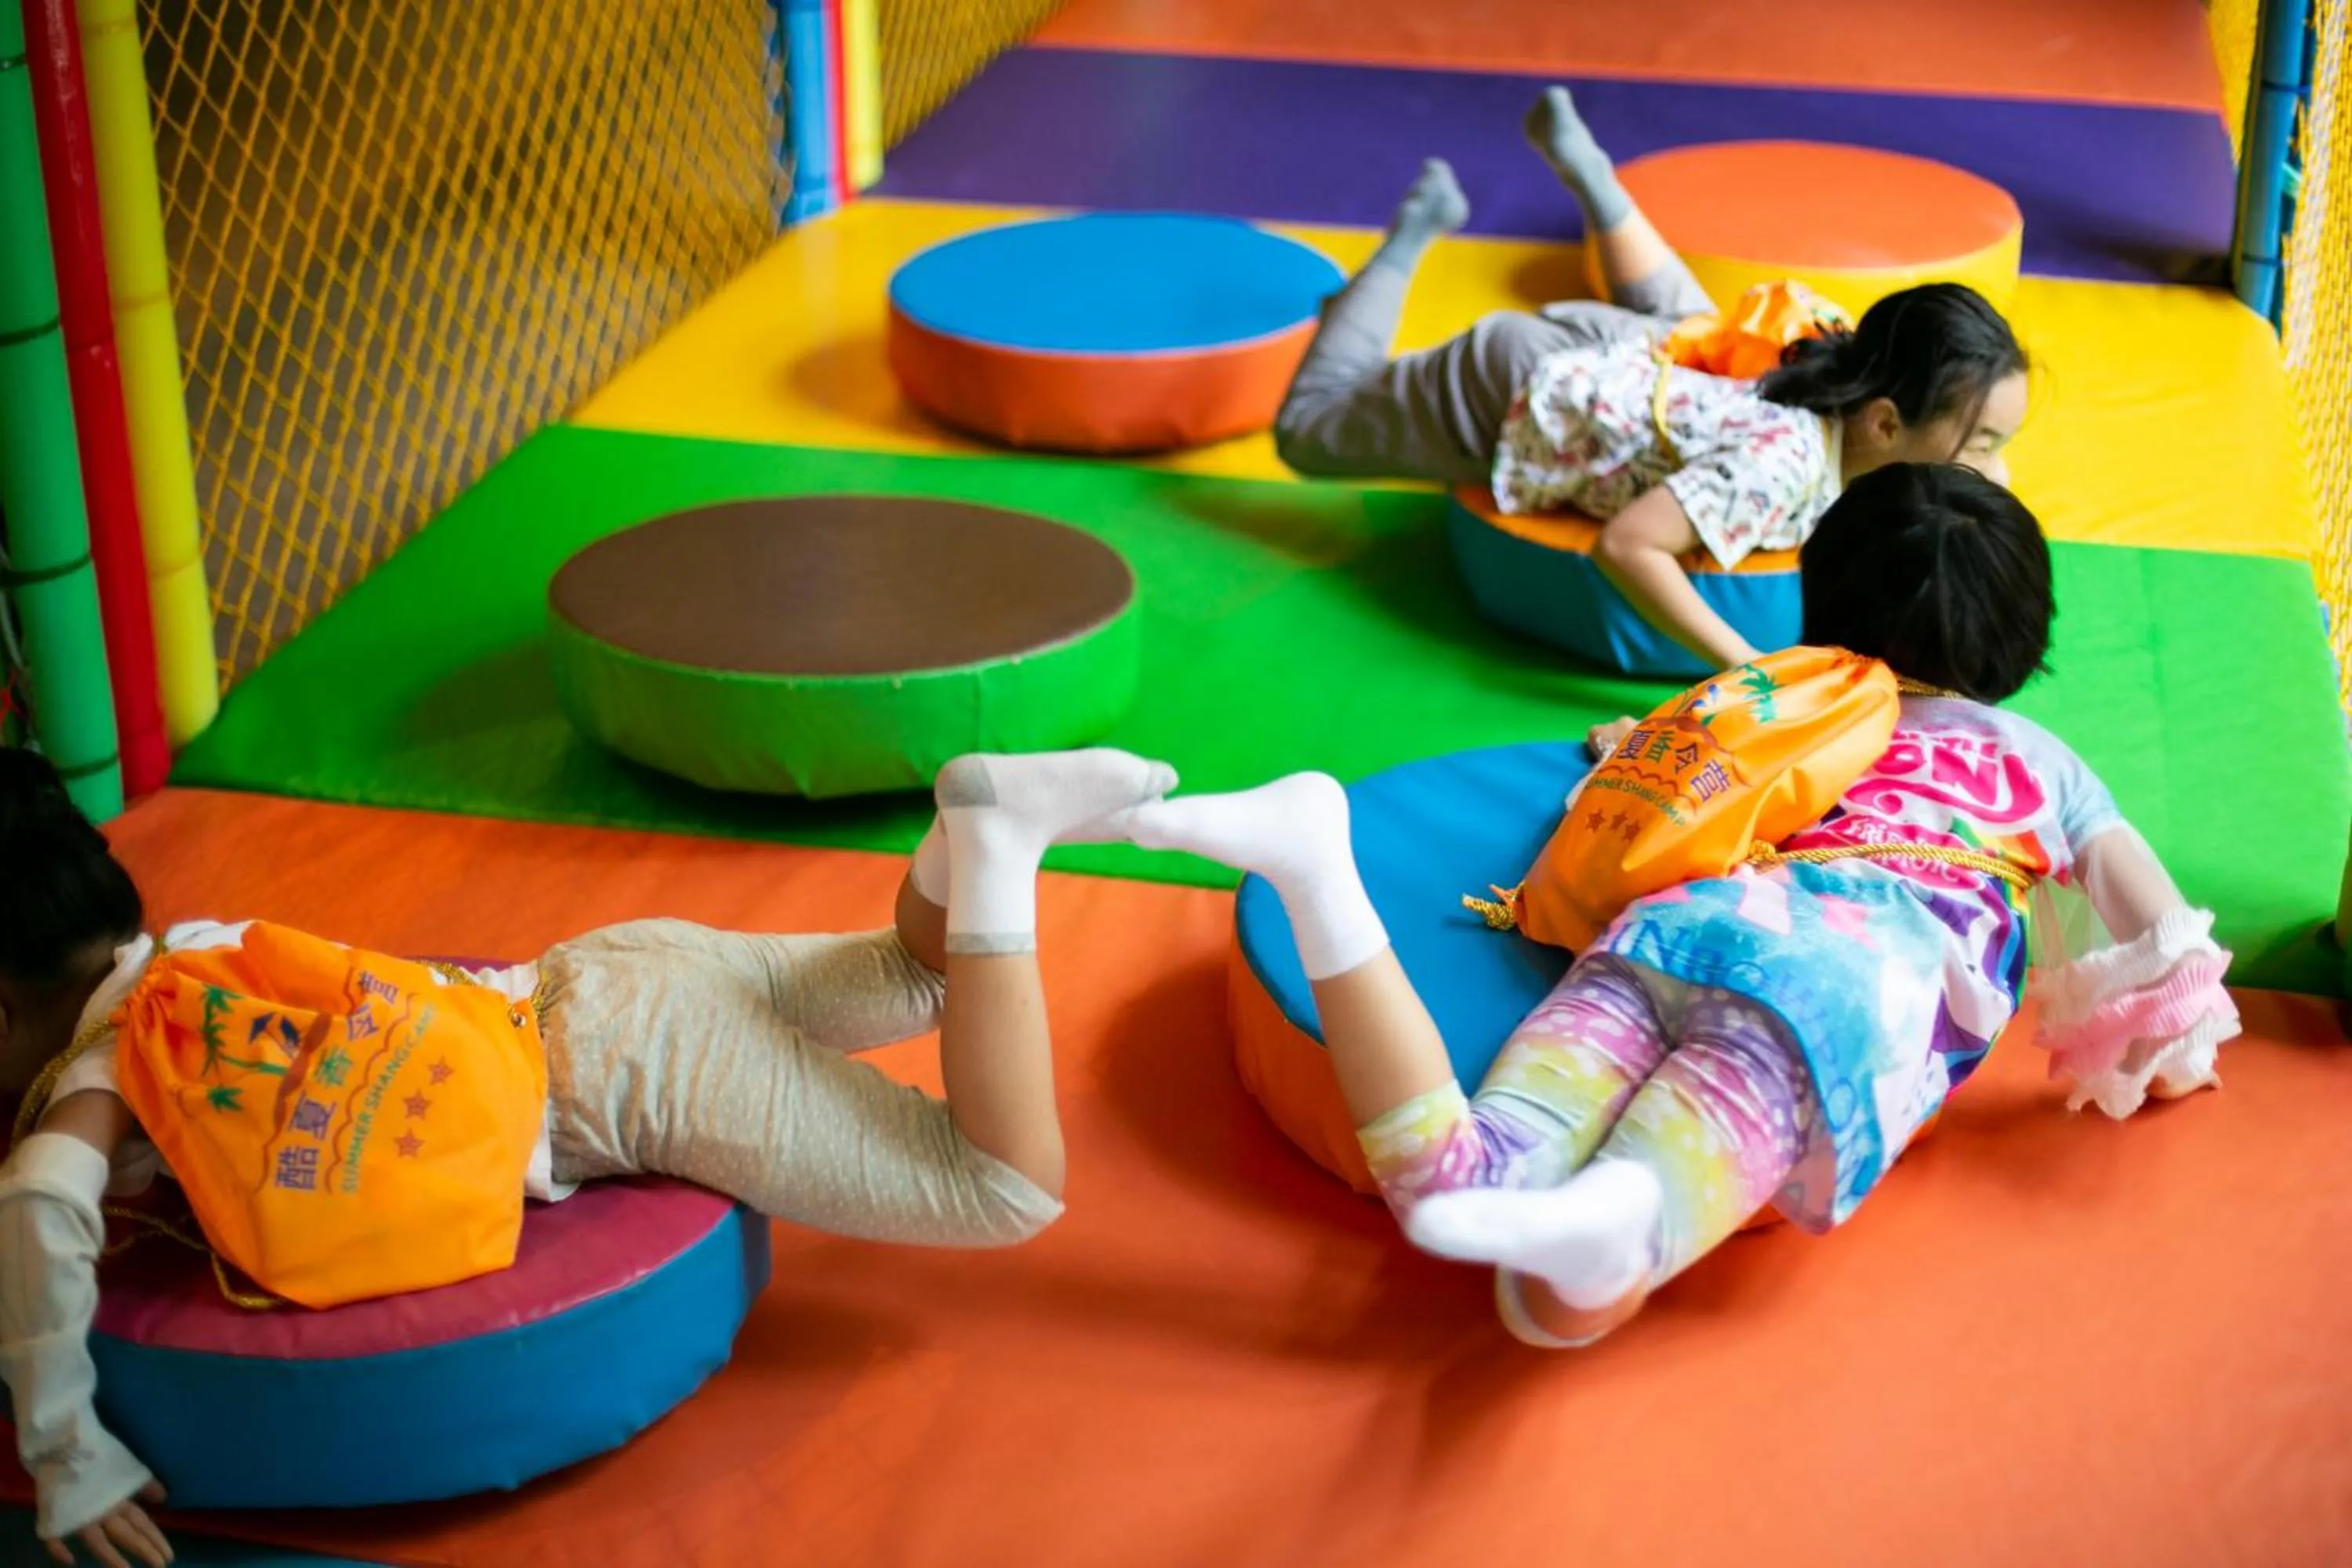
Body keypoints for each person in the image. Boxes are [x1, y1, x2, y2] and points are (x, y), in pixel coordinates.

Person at [1116, 464, 2236, 1350]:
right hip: (1843, 991)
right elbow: (2165, 943)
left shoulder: (1779, 699)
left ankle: (1318, 873)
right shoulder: (2043, 764)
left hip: (1674, 931)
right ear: (2020, 639)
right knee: (1586, 1282)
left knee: (1453, 1182)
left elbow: (1631, 765)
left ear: (1824, 597)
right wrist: (2170, 1055)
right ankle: (1611, 1233)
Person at [0, 746, 1176, 1566]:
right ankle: (962, 824)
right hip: (603, 971)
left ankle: (1002, 844)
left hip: (620, 1069)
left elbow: (43, 1195)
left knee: (1000, 1186)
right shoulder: (199, 946)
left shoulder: (114, 1065)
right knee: (919, 972)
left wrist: (67, 1452)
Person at [1272, 87, 2032, 672]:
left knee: (1693, 321)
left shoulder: (1840, 371)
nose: (1998, 470)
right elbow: (1629, 545)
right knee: (1307, 431)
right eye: (1983, 442)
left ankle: (1598, 181)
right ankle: (1416, 228)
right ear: (1887, 424)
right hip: (1519, 386)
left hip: (1636, 354)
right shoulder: (1782, 469)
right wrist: (1750, 668)